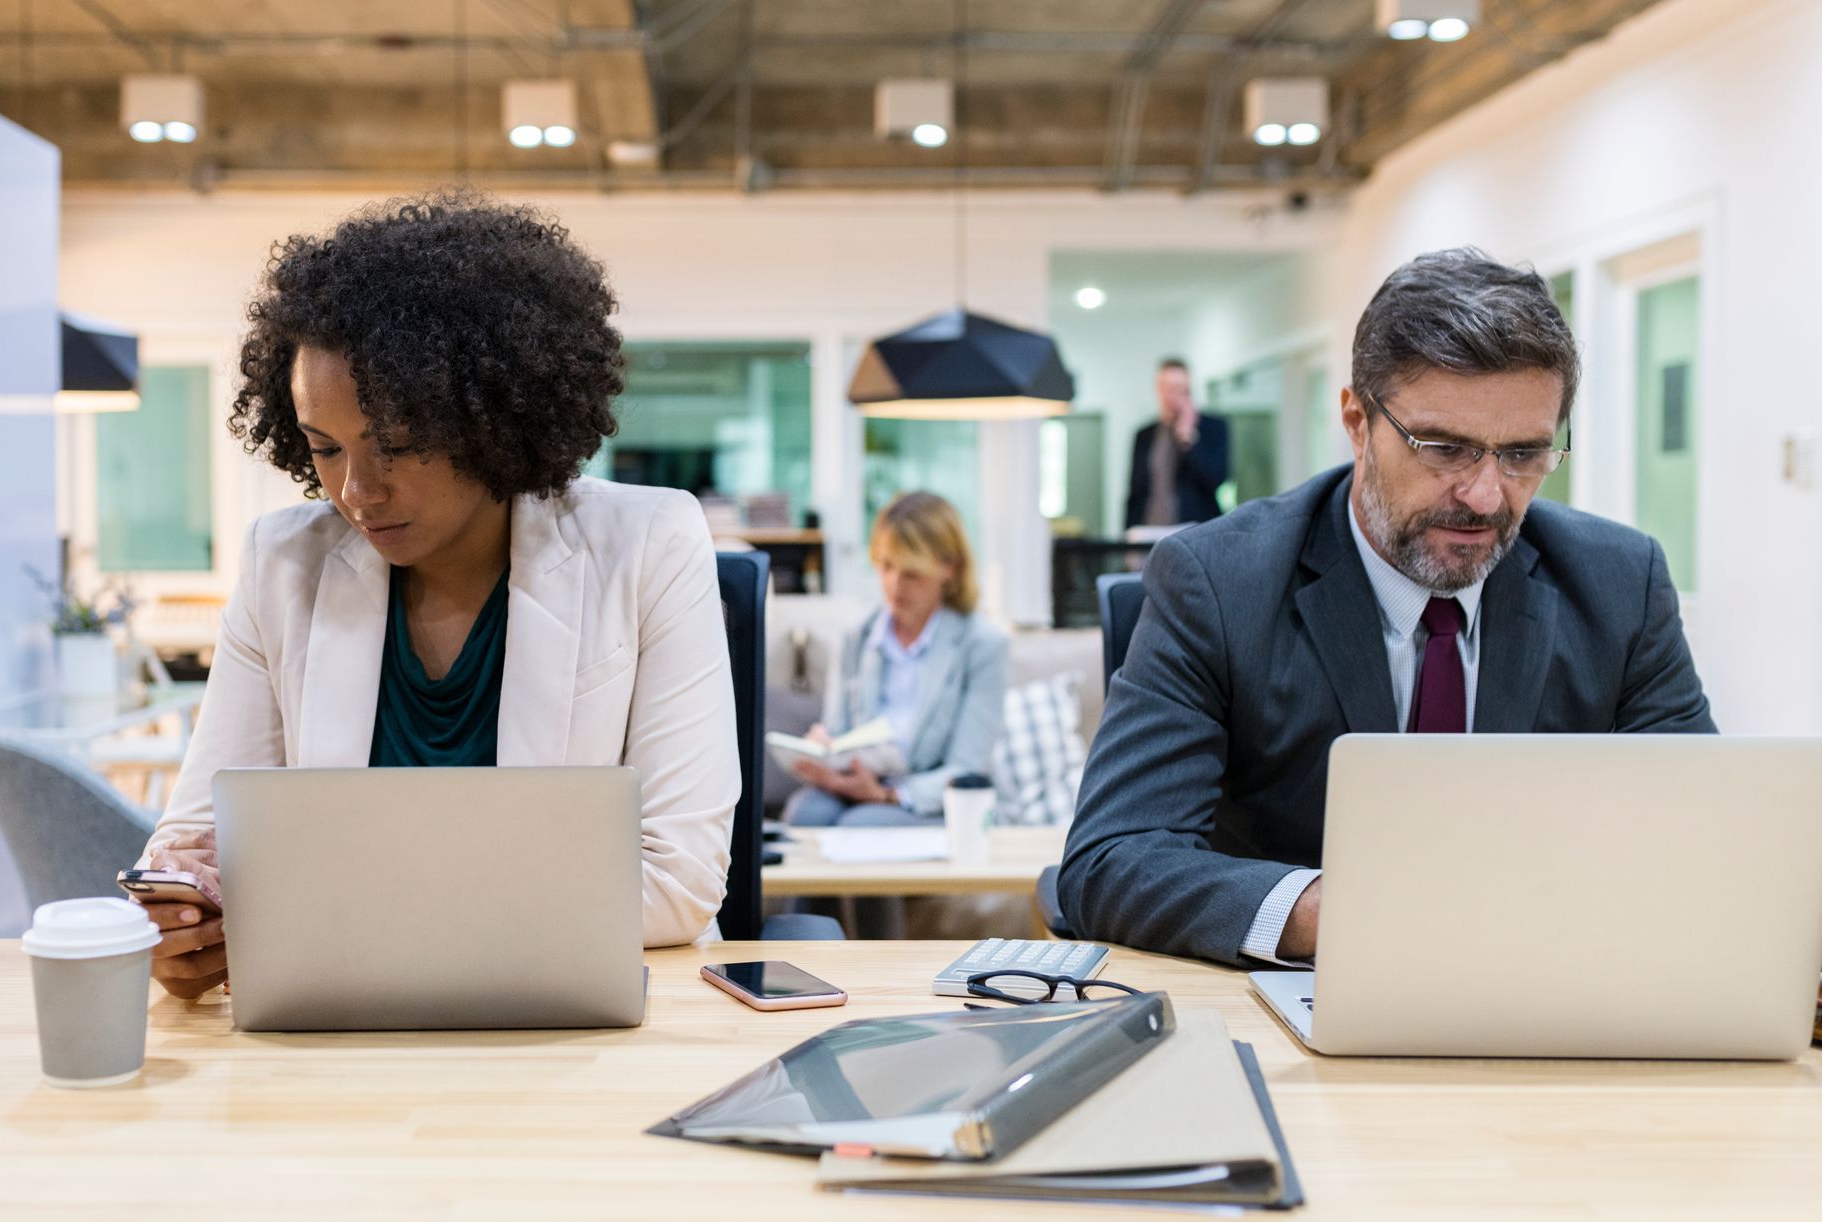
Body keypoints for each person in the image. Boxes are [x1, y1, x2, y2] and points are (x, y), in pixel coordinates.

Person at [137, 191, 739, 998]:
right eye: (324, 448)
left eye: (400, 445)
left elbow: (676, 880)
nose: (357, 491)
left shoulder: (651, 542)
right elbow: (193, 846)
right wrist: (183, 920)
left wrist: (311, 914)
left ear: (490, 417)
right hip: (337, 1021)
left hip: (587, 1024)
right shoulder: (282, 564)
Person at [1060, 247, 1714, 967]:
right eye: (1445, 448)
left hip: (1544, 987)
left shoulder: (1621, 585)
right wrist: (1343, 916)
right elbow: (1112, 860)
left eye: (1524, 453)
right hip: (1300, 1010)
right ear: (1355, 420)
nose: (1486, 496)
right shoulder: (1218, 583)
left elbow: (1701, 842)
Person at [785, 492, 1008, 827]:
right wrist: (824, 749)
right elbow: (839, 730)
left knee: (863, 824)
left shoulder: (982, 644)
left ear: (949, 567)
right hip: (858, 785)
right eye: (886, 566)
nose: (893, 585)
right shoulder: (856, 636)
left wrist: (885, 795)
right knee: (804, 815)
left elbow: (966, 769)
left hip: (932, 801)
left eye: (911, 574)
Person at [1124, 357, 1231, 529]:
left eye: (1178, 389)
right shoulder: (1144, 434)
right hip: (1148, 531)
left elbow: (1216, 480)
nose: (1171, 396)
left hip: (1194, 531)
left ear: (1188, 391)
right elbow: (1134, 493)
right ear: (1158, 389)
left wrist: (1189, 438)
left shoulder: (1212, 428)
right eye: (1166, 388)